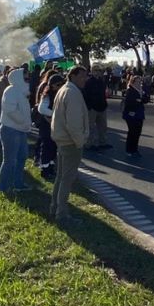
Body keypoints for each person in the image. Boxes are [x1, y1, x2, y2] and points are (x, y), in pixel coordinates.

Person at [50, 67, 91, 224]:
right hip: (70, 142)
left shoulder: (64, 89)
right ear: (72, 76)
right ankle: (61, 214)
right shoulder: (72, 92)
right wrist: (80, 141)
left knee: (61, 177)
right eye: (81, 76)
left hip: (63, 140)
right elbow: (73, 123)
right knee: (67, 179)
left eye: (85, 77)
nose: (84, 79)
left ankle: (55, 207)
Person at [0, 67, 32, 192]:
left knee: (22, 157)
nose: (28, 79)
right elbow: (11, 110)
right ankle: (3, 187)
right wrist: (23, 120)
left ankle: (18, 183)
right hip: (11, 129)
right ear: (18, 77)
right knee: (9, 160)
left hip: (21, 130)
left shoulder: (22, 91)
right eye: (26, 77)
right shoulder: (10, 90)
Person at [34, 74, 65, 180]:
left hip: (54, 125)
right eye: (58, 84)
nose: (61, 86)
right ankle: (44, 170)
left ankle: (51, 168)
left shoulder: (59, 93)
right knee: (46, 147)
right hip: (46, 126)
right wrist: (55, 114)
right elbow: (41, 109)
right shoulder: (47, 95)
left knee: (53, 148)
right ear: (52, 85)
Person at [122, 75, 149, 157]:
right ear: (132, 82)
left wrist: (140, 99)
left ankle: (135, 149)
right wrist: (138, 102)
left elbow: (146, 100)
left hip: (139, 113)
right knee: (132, 132)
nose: (139, 83)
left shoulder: (141, 90)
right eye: (137, 81)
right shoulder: (130, 90)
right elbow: (129, 102)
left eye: (140, 82)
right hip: (131, 114)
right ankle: (129, 150)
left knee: (138, 132)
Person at [83, 69, 109, 152]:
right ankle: (89, 144)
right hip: (92, 107)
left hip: (102, 106)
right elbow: (85, 94)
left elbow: (104, 93)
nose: (97, 72)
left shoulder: (102, 81)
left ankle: (103, 142)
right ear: (92, 71)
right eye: (96, 70)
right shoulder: (88, 82)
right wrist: (89, 106)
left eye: (99, 70)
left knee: (103, 126)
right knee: (90, 127)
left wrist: (105, 103)